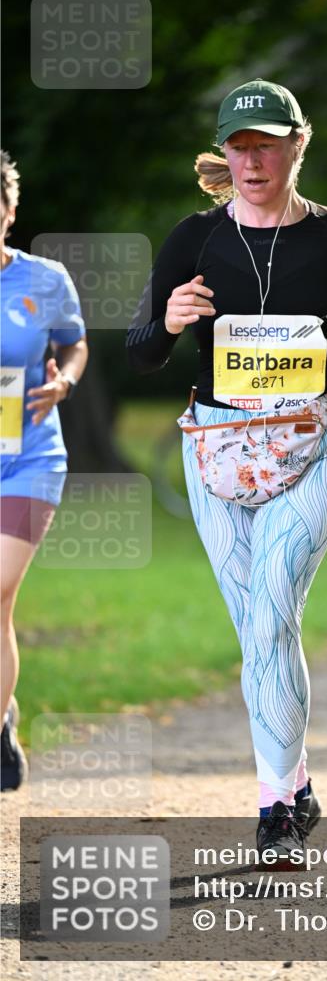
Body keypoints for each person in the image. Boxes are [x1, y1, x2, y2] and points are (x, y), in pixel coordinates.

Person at [126, 79, 327, 860]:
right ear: (225, 152)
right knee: (257, 631)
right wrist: (169, 322)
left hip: (316, 440)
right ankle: (297, 781)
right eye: (239, 146)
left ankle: (273, 811)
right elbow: (141, 351)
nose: (252, 160)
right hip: (216, 449)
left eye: (267, 143)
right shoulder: (192, 238)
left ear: (297, 144)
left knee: (271, 610)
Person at [0, 149, 88, 789]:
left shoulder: (45, 279)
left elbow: (73, 343)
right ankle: (4, 716)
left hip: (29, 458)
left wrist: (65, 384)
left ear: (9, 211)